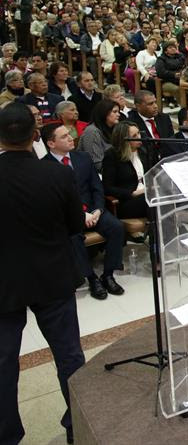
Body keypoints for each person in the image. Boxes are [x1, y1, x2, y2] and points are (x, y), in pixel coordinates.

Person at [0, 104, 86, 445]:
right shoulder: (57, 174)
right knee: (69, 355)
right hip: (53, 275)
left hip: (4, 282)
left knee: (3, 364)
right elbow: (75, 225)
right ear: (35, 135)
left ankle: (7, 435)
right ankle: (78, 424)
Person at [42, 123, 125, 300]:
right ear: (51, 143)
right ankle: (91, 278)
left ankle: (108, 274)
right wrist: (80, 215)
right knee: (73, 238)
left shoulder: (83, 157)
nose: (71, 138)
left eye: (69, 134)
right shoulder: (44, 166)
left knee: (116, 227)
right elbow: (53, 200)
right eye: (64, 136)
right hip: (68, 216)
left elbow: (97, 187)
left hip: (93, 210)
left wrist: (98, 209)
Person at [101, 122, 149, 219]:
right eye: (134, 136)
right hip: (126, 201)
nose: (139, 137)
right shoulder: (112, 155)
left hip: (146, 195)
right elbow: (107, 188)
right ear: (124, 139)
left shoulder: (143, 151)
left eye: (139, 133)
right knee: (150, 200)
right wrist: (132, 193)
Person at [128, 90, 176, 171]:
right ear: (138, 106)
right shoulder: (131, 124)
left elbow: (172, 142)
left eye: (155, 102)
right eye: (150, 104)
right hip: (146, 166)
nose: (155, 106)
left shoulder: (164, 118)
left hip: (167, 163)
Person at [76, 98, 120, 171]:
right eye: (115, 112)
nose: (118, 114)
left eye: (118, 112)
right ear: (104, 113)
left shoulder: (114, 129)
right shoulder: (92, 132)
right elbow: (96, 163)